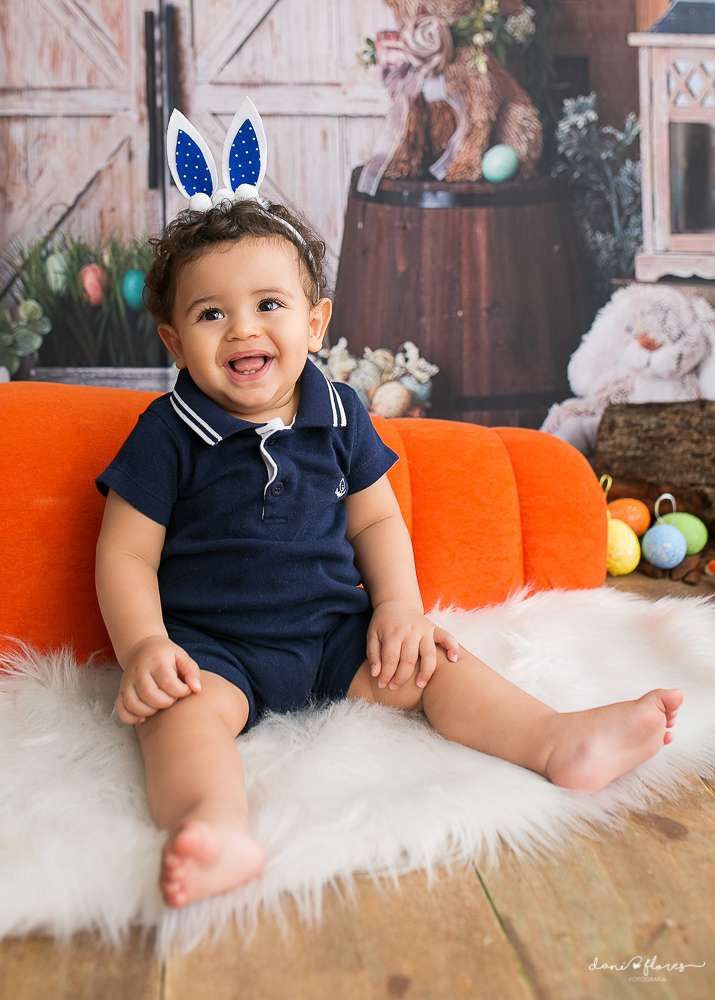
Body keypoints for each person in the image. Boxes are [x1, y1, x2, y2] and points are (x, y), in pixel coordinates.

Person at [95, 197, 683, 909]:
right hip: (214, 650)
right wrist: (145, 646)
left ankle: (556, 740)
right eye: (211, 313)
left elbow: (375, 521)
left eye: (269, 304)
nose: (243, 327)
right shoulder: (166, 433)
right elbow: (126, 555)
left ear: (315, 324)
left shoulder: (341, 413)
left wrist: (398, 608)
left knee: (437, 664)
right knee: (177, 719)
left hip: (336, 636)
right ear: (174, 340)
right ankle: (211, 825)